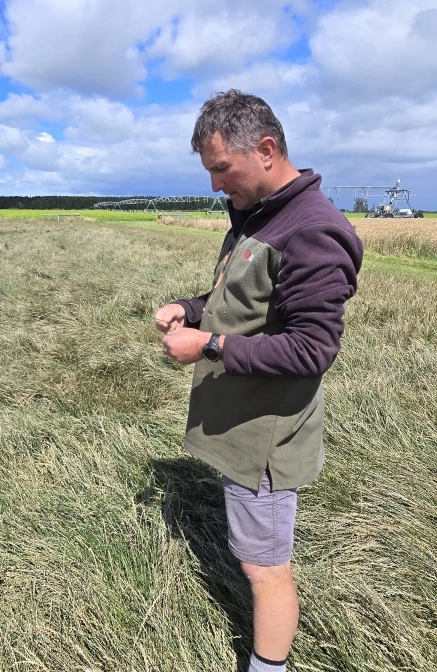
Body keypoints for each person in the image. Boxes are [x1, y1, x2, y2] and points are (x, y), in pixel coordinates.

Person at [154, 89, 363, 672]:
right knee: (254, 553)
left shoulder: (313, 230)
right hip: (242, 429)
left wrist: (209, 345)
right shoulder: (260, 215)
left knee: (265, 569)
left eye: (222, 169)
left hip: (266, 443)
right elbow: (243, 303)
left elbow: (313, 348)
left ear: (266, 149)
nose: (216, 185)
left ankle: (268, 665)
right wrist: (191, 309)